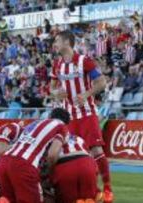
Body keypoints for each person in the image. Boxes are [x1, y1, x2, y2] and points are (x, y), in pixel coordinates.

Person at [50, 30, 113, 202]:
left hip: (87, 113)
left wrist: (86, 94)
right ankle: (94, 190)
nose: (54, 44)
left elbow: (101, 82)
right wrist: (56, 93)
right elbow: (51, 87)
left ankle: (108, 189)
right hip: (68, 117)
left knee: (96, 150)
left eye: (57, 41)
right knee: (76, 154)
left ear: (67, 43)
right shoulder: (57, 64)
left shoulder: (84, 61)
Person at [0, 108, 70, 203]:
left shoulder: (35, 123)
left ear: (49, 116)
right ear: (67, 123)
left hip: (3, 162)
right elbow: (52, 154)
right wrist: (49, 174)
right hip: (24, 164)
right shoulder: (62, 126)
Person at [47, 133, 97, 203]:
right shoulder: (77, 137)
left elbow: (50, 158)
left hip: (64, 165)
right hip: (87, 163)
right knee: (89, 199)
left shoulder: (49, 138)